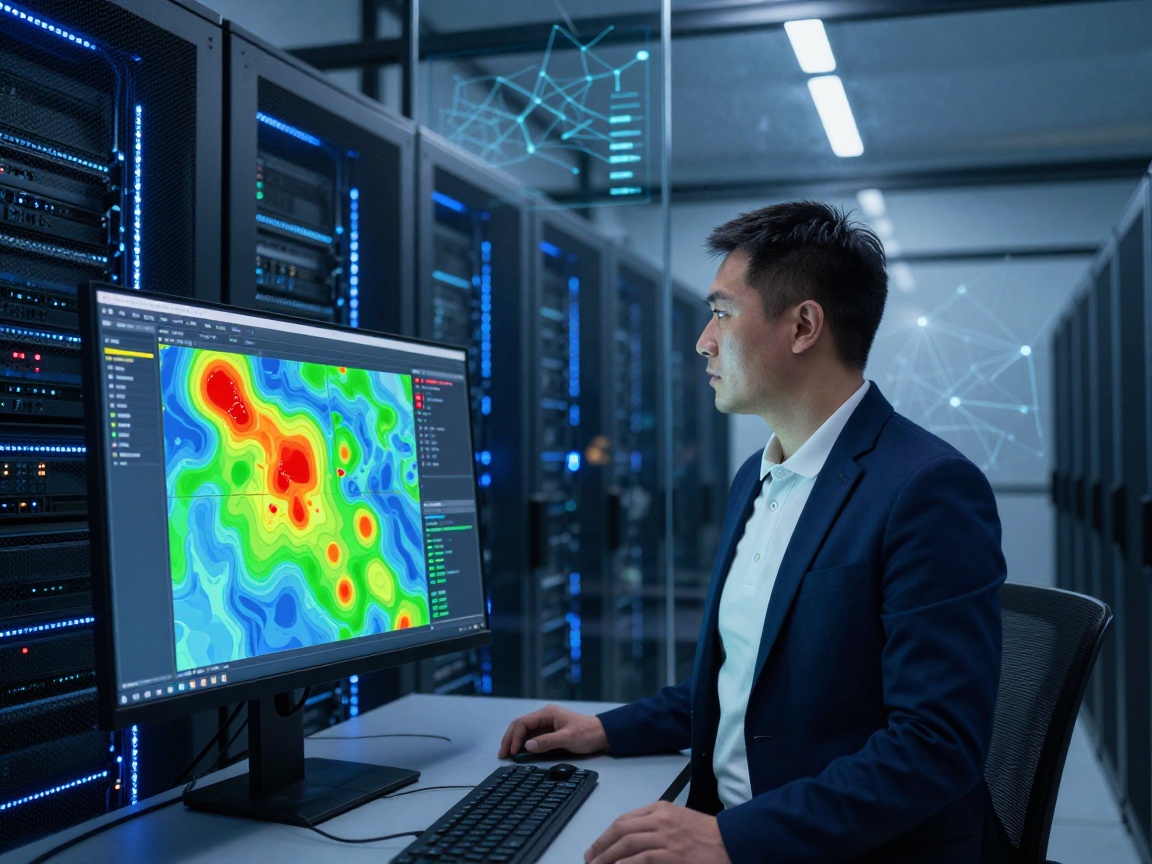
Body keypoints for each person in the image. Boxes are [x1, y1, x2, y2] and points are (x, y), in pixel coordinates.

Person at [498, 201, 1006, 864]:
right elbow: (741, 685)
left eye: (722, 312)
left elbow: (936, 746)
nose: (703, 341)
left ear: (802, 326)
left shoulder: (926, 488)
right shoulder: (755, 477)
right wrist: (605, 728)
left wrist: (732, 839)